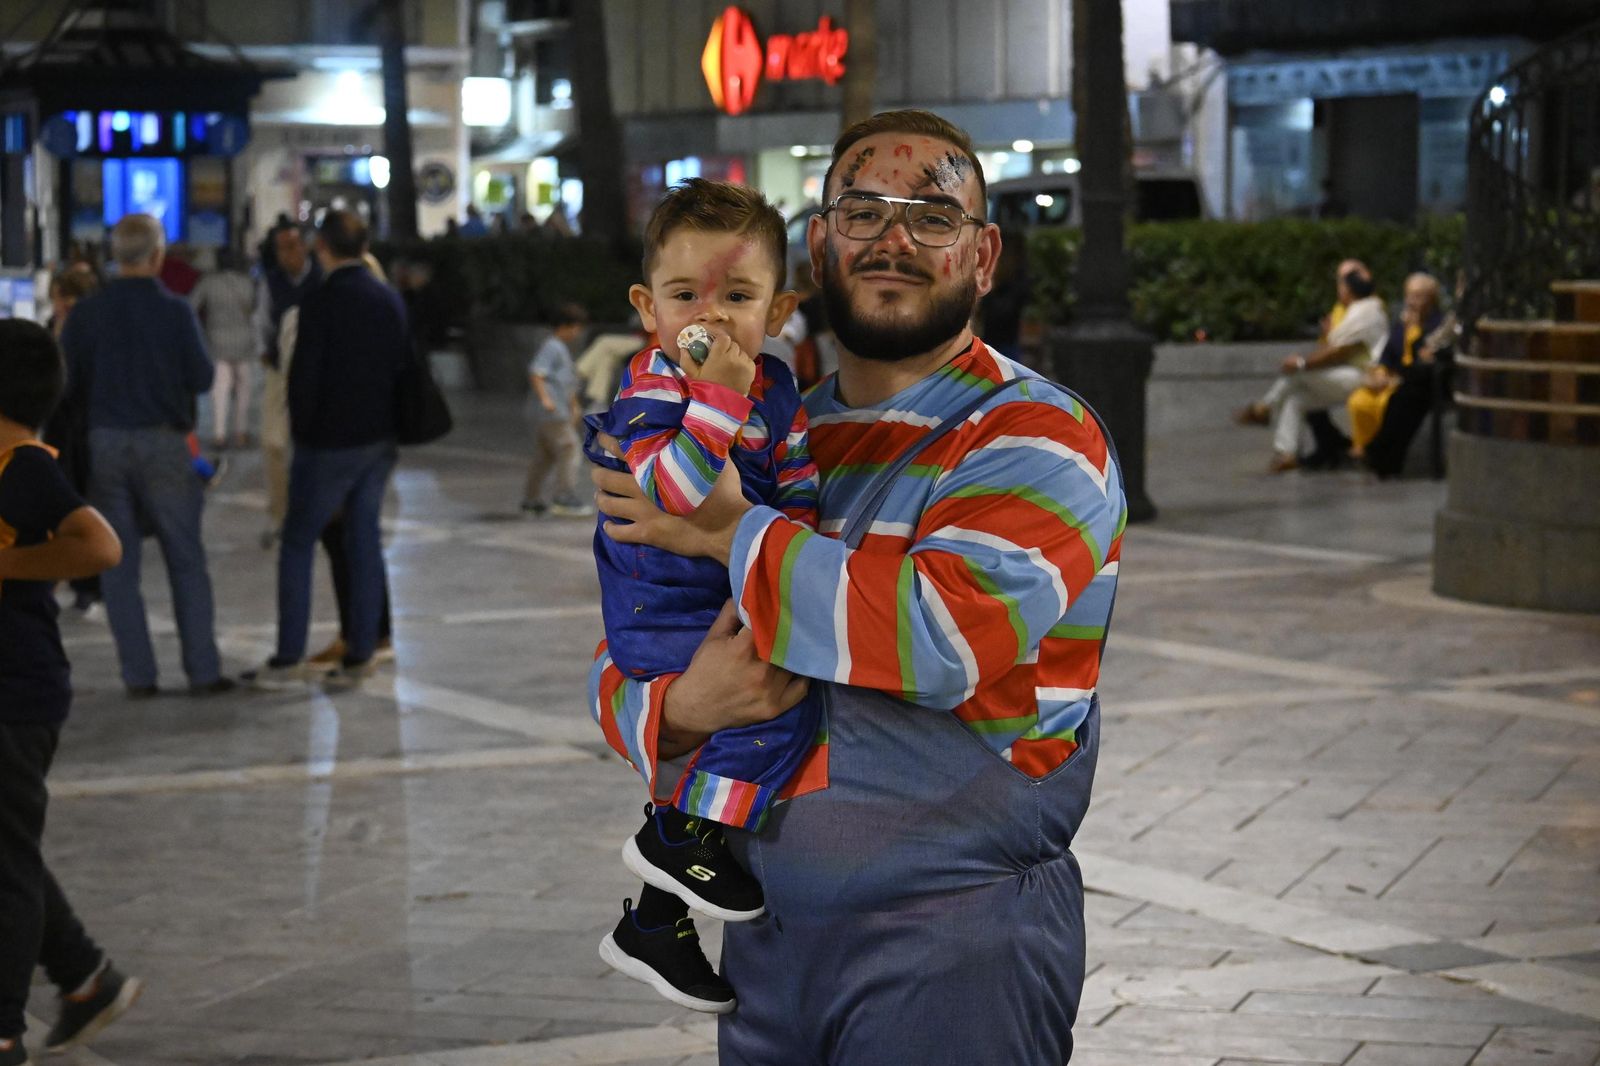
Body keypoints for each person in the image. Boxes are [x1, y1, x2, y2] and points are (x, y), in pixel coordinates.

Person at [589, 109, 1126, 1063]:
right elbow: (631, 631)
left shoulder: (1036, 433)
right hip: (766, 950)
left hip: (954, 949)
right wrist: (681, 710)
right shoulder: (763, 434)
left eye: (933, 217)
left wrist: (726, 529)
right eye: (863, 212)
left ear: (983, 256)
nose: (893, 240)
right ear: (820, 247)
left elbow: (938, 637)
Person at [582, 179, 817, 1014]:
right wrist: (716, 396)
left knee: (754, 706)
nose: (709, 320)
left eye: (738, 298)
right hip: (661, 600)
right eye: (685, 297)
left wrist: (793, 551)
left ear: (778, 311)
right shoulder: (657, 388)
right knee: (768, 713)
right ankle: (678, 837)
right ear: (648, 308)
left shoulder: (777, 388)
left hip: (723, 587)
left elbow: (797, 485)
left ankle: (655, 921)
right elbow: (676, 493)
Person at [0, 320, 141, 1066]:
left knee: (6, 863)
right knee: (6, 848)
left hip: (15, 693)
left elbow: (101, 545)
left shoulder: (23, 465)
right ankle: (84, 977)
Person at [58, 214, 232, 698]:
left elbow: (66, 382)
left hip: (106, 443)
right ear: (158, 256)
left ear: (114, 256)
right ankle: (202, 670)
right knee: (185, 559)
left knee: (119, 565)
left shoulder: (87, 314)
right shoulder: (175, 311)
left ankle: (139, 675)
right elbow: (202, 377)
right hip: (164, 443)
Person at [243, 210, 405, 689]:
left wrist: (305, 438)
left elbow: (304, 380)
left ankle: (287, 656)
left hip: (330, 443)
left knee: (297, 541)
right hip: (378, 440)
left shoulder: (319, 301)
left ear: (322, 248)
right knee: (363, 539)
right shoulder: (388, 299)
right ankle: (362, 652)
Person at [1235, 261, 1388, 472]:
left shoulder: (1367, 311)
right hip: (1347, 373)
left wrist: (1302, 363)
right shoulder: (1351, 310)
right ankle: (1286, 453)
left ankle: (1264, 407)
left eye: (1341, 284)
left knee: (1296, 374)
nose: (1338, 290)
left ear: (1348, 289)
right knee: (1296, 399)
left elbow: (1338, 351)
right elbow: (1334, 347)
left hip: (1365, 377)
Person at [253, 224, 323, 549]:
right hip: (280, 370)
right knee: (274, 443)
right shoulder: (271, 283)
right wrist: (265, 353)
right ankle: (280, 515)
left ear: (305, 247)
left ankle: (318, 515)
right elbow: (262, 321)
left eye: (294, 246)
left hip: (319, 373)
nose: (289, 254)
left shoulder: (321, 279)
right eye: (282, 248)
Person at [42, 269, 102, 618]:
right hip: (58, 427)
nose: (58, 306)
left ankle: (86, 584)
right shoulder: (53, 325)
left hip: (80, 426)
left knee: (81, 502)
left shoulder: (85, 327)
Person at [1346, 272, 1443, 464]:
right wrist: (1381, 371)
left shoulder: (1436, 325)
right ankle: (1362, 446)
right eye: (1409, 295)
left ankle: (1378, 452)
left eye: (1418, 296)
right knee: (1359, 400)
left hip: (1413, 382)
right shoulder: (1401, 324)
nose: (1411, 302)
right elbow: (1389, 351)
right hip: (1391, 377)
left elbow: (1422, 357)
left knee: (1388, 403)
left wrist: (1414, 330)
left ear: (1431, 299)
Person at [521, 303, 593, 517]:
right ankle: (564, 497)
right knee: (570, 448)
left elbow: (565, 382)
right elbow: (536, 372)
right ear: (566, 326)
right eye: (576, 327)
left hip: (552, 411)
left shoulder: (558, 347)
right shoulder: (553, 347)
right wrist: (546, 399)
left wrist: (574, 405)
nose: (577, 332)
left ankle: (531, 499)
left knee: (544, 456)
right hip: (552, 412)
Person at [190, 248, 259, 449]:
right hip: (244, 340)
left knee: (220, 387)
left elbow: (191, 306)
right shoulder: (247, 282)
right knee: (243, 387)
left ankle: (219, 434)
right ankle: (241, 432)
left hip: (216, 340)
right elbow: (256, 309)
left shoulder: (208, 282)